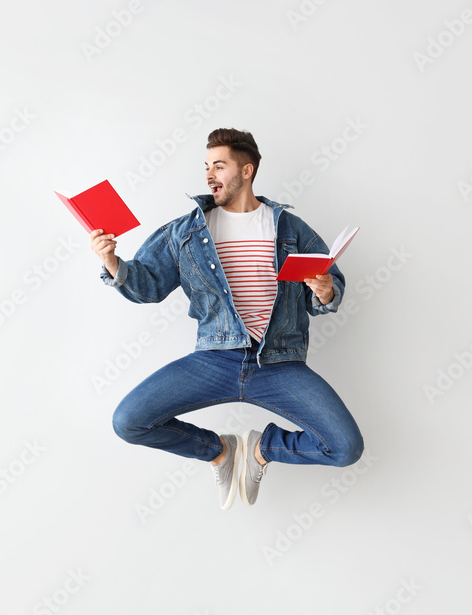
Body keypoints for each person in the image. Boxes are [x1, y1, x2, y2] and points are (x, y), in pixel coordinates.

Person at [90, 127, 363, 510]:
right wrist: (112, 262)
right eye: (206, 167)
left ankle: (263, 448)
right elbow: (147, 286)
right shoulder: (185, 232)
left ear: (246, 170)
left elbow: (328, 287)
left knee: (346, 447)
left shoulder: (289, 229)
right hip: (214, 359)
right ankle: (219, 451)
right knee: (129, 421)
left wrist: (324, 291)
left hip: (279, 362)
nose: (209, 175)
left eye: (219, 166)